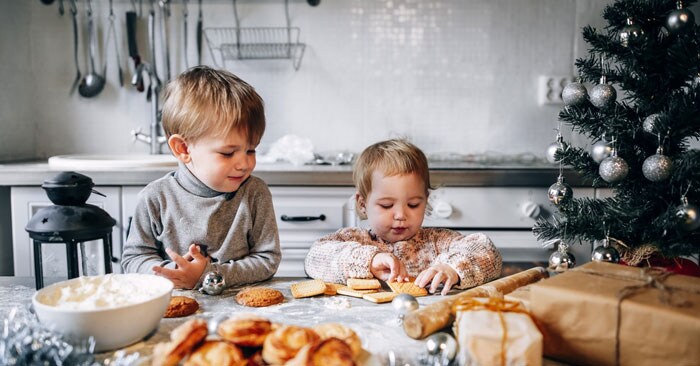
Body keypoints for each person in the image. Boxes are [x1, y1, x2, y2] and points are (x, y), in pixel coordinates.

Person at [121, 66, 281, 290]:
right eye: (227, 153)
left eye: (251, 150)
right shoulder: (155, 198)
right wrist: (171, 273)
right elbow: (133, 259)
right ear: (183, 148)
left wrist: (209, 275)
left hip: (239, 308)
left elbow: (267, 259)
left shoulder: (255, 193)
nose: (244, 163)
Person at [304, 139, 502, 295]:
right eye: (387, 205)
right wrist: (369, 261)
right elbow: (314, 258)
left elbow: (487, 252)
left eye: (413, 204)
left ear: (426, 200)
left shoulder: (438, 242)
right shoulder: (355, 240)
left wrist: (451, 268)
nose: (400, 215)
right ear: (363, 204)